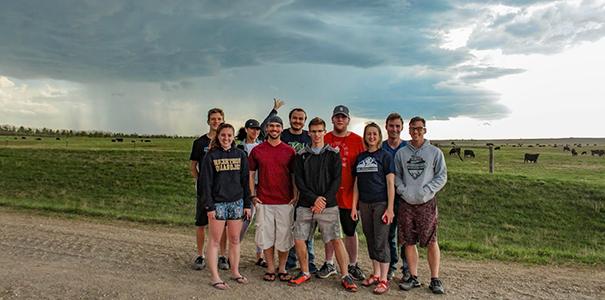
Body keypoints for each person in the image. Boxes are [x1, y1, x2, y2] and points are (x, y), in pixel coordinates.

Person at [288, 117, 358, 292]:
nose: (317, 134)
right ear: (309, 132)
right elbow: (299, 180)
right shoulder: (302, 154)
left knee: (335, 239)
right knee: (299, 238)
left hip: (328, 204)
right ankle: (305, 272)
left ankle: (345, 275)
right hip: (306, 204)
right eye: (314, 131)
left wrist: (323, 200)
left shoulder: (333, 153)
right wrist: (313, 200)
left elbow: (336, 180)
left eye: (320, 131)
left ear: (324, 132)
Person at [261, 98, 317, 273]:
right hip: (285, 189)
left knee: (306, 227)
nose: (297, 121)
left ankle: (310, 261)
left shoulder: (309, 136)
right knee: (288, 227)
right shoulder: (282, 134)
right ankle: (290, 262)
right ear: (290, 119)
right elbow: (265, 128)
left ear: (304, 121)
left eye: (301, 118)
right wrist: (274, 111)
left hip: (305, 187)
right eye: (295, 118)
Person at [394, 116, 447, 294]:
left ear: (425, 130)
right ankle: (413, 277)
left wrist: (427, 190)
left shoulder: (434, 152)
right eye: (412, 128)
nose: (416, 131)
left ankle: (435, 279)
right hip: (406, 203)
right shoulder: (401, 153)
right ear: (408, 130)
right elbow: (397, 176)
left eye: (419, 128)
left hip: (426, 203)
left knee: (431, 240)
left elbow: (441, 176)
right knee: (408, 241)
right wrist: (403, 190)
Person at [200, 123, 252, 290]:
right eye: (223, 135)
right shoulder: (211, 156)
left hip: (237, 202)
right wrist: (209, 207)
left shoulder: (241, 155)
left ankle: (235, 271)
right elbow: (205, 184)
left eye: (230, 135)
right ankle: (215, 276)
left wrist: (247, 204)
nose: (226, 138)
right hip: (218, 204)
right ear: (218, 136)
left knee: (235, 240)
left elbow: (245, 181)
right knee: (215, 241)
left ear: (233, 137)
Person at [318, 105, 366, 281]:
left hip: (349, 195)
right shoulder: (324, 138)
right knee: (330, 231)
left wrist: (359, 199)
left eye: (343, 117)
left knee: (350, 231)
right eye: (337, 117)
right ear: (332, 119)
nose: (340, 119)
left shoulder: (358, 141)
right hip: (329, 194)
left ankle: (353, 264)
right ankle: (329, 262)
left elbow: (363, 169)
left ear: (348, 120)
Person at [249, 115, 296, 282]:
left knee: (284, 236)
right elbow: (251, 174)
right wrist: (253, 195)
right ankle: (270, 267)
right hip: (264, 200)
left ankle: (282, 268)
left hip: (285, 201)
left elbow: (293, 175)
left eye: (277, 126)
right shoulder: (258, 150)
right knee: (266, 235)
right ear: (266, 129)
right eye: (271, 126)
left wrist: (295, 195)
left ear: (282, 129)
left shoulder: (289, 151)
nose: (274, 129)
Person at [351, 122, 395, 295]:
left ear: (379, 136)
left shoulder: (385, 156)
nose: (371, 137)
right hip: (364, 203)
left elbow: (391, 183)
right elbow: (356, 184)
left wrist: (390, 208)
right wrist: (355, 206)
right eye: (368, 134)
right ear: (365, 136)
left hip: (381, 203)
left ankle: (384, 279)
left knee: (381, 240)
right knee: (370, 238)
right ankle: (376, 274)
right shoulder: (360, 158)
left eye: (374, 134)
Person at [189, 108, 229, 270]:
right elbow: (192, 166)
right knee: (201, 223)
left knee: (223, 224)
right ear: (208, 121)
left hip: (222, 190)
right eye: (213, 119)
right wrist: (202, 182)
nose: (216, 121)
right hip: (205, 191)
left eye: (219, 119)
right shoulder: (200, 143)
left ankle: (222, 256)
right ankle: (200, 255)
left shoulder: (227, 142)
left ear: (223, 120)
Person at [235, 119, 267, 268]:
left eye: (258, 129)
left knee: (261, 222)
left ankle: (259, 256)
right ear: (246, 129)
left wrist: (274, 111)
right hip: (243, 187)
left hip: (260, 186)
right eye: (252, 129)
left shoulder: (262, 146)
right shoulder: (239, 146)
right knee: (245, 219)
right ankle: (234, 251)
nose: (255, 132)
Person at [381, 113, 409, 281]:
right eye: (391, 126)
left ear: (402, 128)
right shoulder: (381, 147)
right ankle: (391, 266)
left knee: (405, 235)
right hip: (385, 197)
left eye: (397, 126)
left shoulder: (407, 147)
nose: (394, 129)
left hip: (405, 197)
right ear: (386, 126)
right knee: (389, 234)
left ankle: (407, 269)